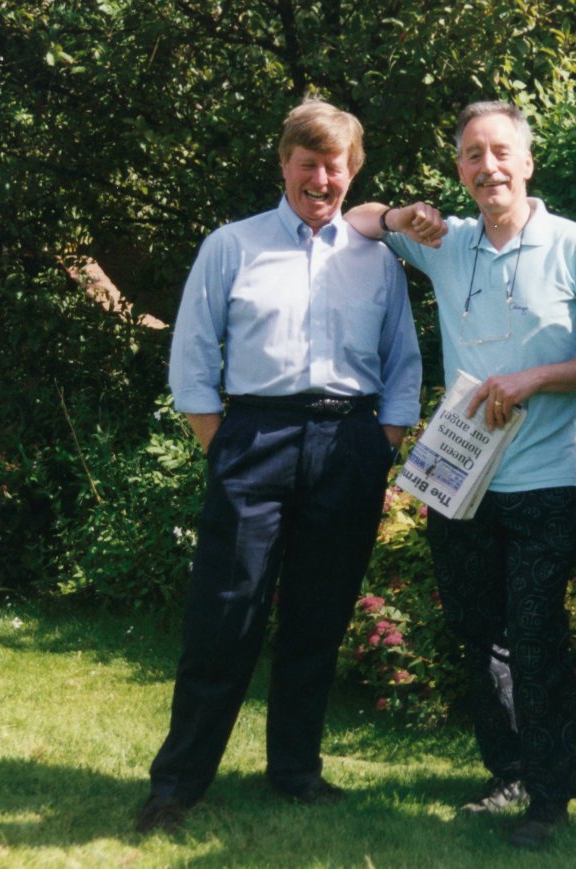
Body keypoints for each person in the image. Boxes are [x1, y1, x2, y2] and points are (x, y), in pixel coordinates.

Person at [134, 98, 425, 834]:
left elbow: (402, 364)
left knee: (318, 617)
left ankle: (295, 771)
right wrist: (224, 446)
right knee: (225, 614)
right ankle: (177, 785)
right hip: (254, 438)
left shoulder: (378, 261)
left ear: (352, 172)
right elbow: (192, 357)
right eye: (308, 163)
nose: (321, 179)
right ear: (284, 164)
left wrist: (381, 445)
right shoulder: (231, 245)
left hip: (349, 441)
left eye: (335, 166)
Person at [345, 100, 576, 848]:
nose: (488, 166)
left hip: (545, 476)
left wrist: (536, 379)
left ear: (527, 162)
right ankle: (509, 773)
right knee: (477, 631)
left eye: (500, 152)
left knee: (535, 632)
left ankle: (549, 796)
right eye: (472, 155)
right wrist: (399, 216)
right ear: (459, 169)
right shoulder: (448, 242)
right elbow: (357, 222)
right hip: (459, 478)